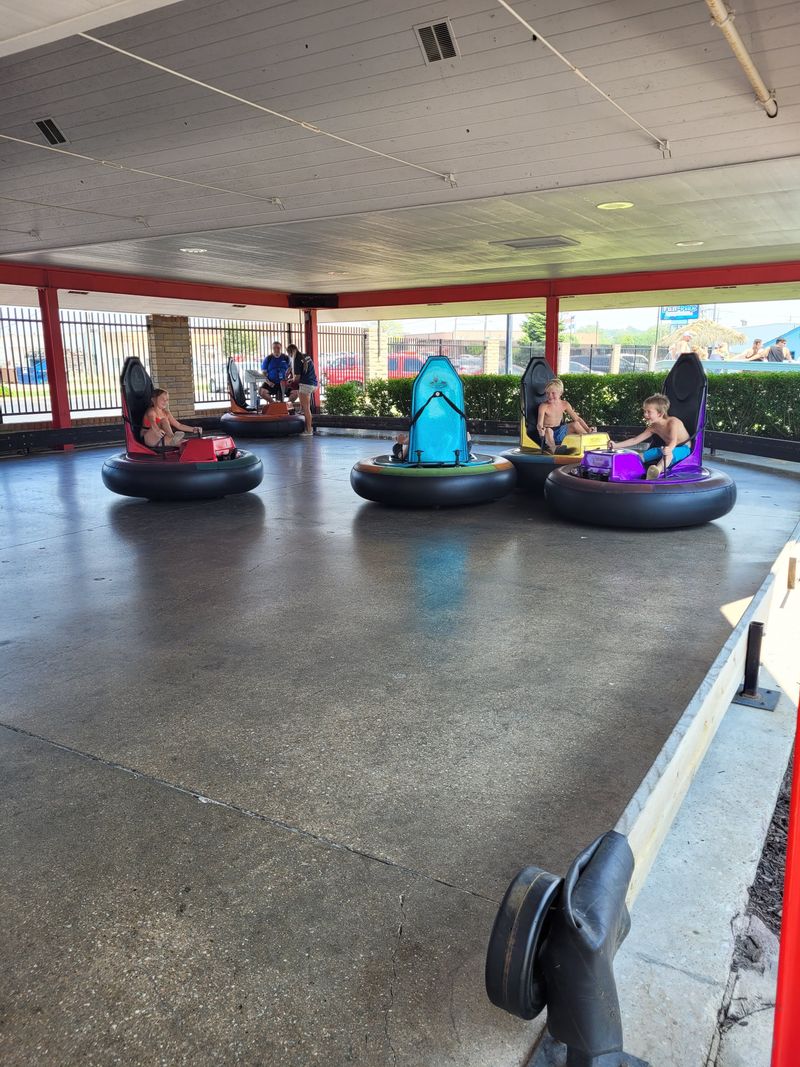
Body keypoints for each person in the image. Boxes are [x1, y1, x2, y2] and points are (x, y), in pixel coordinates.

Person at [609, 393, 690, 480]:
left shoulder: (673, 422)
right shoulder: (653, 427)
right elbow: (635, 440)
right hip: (667, 447)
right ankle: (633, 465)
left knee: (669, 454)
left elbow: (673, 441)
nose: (645, 414)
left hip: (684, 448)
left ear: (660, 414)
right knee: (651, 452)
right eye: (644, 411)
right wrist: (615, 445)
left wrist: (669, 449)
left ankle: (656, 471)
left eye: (649, 412)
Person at [536, 378, 596, 454]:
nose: (550, 396)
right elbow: (539, 423)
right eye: (547, 393)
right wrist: (541, 430)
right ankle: (554, 449)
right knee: (548, 430)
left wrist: (587, 429)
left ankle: (590, 443)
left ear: (560, 393)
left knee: (575, 424)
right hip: (548, 434)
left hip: (560, 431)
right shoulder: (543, 406)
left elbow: (577, 419)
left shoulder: (565, 404)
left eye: (553, 393)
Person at [285, 343, 318, 436]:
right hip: (313, 383)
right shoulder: (305, 356)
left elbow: (297, 378)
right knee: (304, 408)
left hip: (305, 385)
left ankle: (308, 430)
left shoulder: (296, 360)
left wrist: (290, 380)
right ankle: (307, 428)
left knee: (306, 409)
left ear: (289, 353)